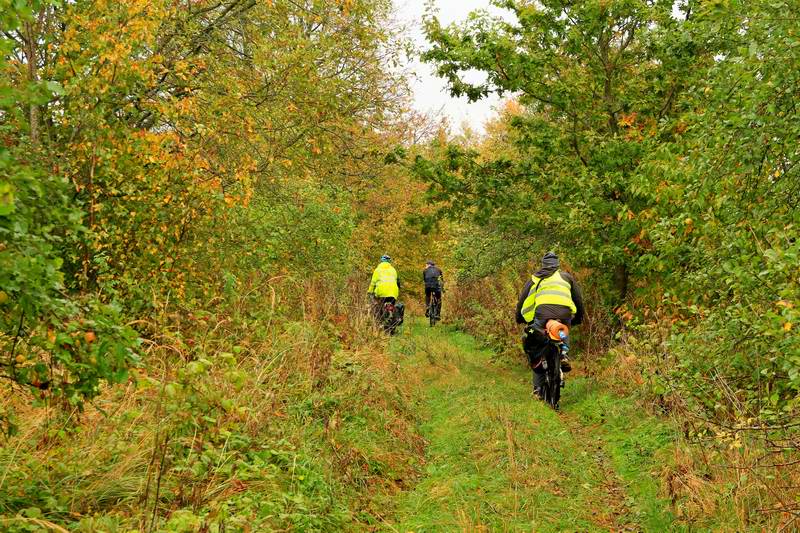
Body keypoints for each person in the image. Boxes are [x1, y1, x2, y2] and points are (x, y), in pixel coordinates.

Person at [515, 252, 584, 398]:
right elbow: (578, 299)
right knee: (563, 331)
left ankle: (538, 389)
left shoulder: (536, 277)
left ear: (543, 265)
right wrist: (578, 318)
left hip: (542, 315)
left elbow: (523, 300)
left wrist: (519, 317)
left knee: (537, 347)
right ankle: (564, 354)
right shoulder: (567, 277)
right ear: (558, 265)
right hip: (564, 314)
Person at [368, 254, 399, 322]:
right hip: (393, 292)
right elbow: (396, 282)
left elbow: (373, 282)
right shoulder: (393, 270)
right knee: (392, 304)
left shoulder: (377, 270)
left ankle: (379, 321)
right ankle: (393, 317)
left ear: (381, 261)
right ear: (389, 262)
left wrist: (370, 291)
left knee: (378, 307)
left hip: (381, 292)